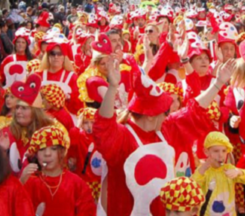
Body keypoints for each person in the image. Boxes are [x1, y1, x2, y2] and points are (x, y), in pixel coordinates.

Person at [92, 56, 234, 216]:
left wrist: (218, 84)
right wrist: (112, 87)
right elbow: (103, 126)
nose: (168, 115)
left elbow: (194, 111)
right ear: (151, 116)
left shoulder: (165, 130)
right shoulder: (123, 136)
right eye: (165, 111)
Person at [20, 125, 96, 215]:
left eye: (53, 149)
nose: (47, 154)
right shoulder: (31, 182)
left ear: (63, 152)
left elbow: (87, 211)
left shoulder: (76, 183)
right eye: (42, 149)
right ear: (36, 154)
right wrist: (21, 182)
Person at [0, 74, 55, 175]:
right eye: (17, 107)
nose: (18, 111)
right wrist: (1, 151)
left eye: (24, 108)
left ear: (35, 112)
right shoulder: (6, 132)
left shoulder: (50, 131)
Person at [191, 132, 245, 216]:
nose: (220, 155)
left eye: (224, 151)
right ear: (206, 152)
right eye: (216, 151)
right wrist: (203, 167)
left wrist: (238, 172)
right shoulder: (204, 170)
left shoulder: (229, 169)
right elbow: (192, 186)